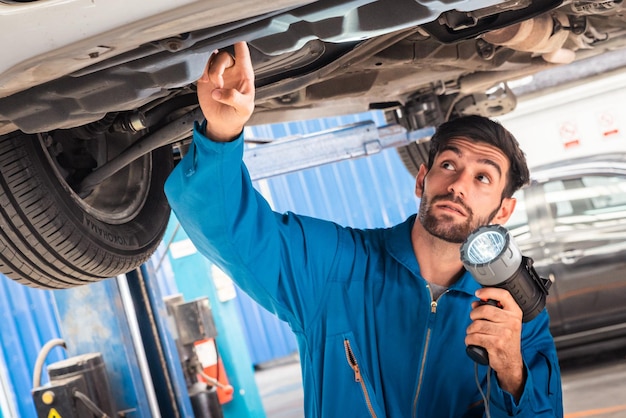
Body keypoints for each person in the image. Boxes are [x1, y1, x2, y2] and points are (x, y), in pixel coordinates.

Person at [164, 42, 563, 417]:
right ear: (421, 179)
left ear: (503, 210)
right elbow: (230, 230)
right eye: (448, 165)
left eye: (482, 178)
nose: (458, 184)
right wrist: (221, 135)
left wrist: (512, 369)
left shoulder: (513, 313)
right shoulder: (334, 268)